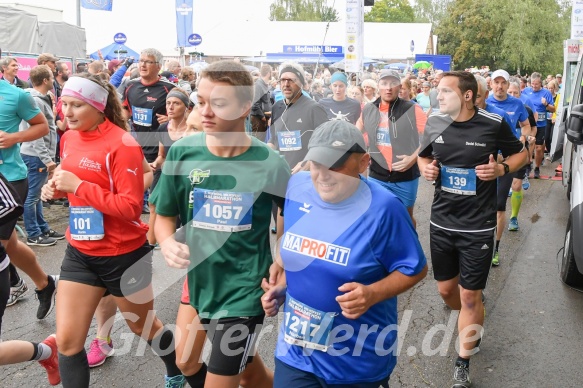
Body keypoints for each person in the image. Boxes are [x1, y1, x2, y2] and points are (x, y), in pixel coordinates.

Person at [153, 60, 291, 388]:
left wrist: (282, 258)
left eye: (219, 103)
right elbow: (164, 215)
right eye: (201, 102)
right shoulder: (183, 153)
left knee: (225, 376)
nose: (206, 112)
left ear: (245, 107)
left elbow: (293, 214)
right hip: (201, 282)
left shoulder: (270, 162)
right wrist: (168, 241)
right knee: (187, 362)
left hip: (245, 289)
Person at [40, 74, 183, 388]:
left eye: (77, 105)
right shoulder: (69, 138)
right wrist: (57, 190)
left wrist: (79, 186)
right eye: (64, 104)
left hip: (124, 255)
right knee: (67, 342)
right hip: (80, 251)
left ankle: (175, 366)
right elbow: (75, 186)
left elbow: (130, 207)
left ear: (97, 106)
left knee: (144, 327)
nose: (68, 112)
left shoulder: (122, 143)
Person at [262, 119, 427, 387]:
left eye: (335, 164)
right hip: (296, 353)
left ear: (363, 162)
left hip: (356, 360)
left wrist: (373, 293)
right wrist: (282, 286)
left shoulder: (384, 209)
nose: (324, 175)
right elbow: (296, 243)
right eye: (316, 164)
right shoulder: (298, 187)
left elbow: (415, 268)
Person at [418, 71, 527, 388]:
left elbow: (520, 153)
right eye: (438, 91)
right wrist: (427, 169)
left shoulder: (492, 124)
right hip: (441, 222)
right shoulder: (436, 123)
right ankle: (475, 306)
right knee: (447, 292)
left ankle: (462, 361)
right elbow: (423, 158)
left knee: (467, 297)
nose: (439, 96)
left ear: (466, 96)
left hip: (478, 227)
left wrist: (502, 168)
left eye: (445, 91)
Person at [0, 71, 58, 319]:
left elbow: (42, 126)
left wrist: (14, 137)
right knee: (10, 245)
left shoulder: (15, 96)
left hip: (9, 180)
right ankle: (45, 284)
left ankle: (11, 285)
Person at [0, 172, 60, 386]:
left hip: (15, 176)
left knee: (8, 247)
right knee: (13, 247)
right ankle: (46, 351)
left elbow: (9, 203)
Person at [357, 69, 427, 227]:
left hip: (404, 177)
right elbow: (355, 134)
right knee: (379, 217)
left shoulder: (412, 109)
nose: (388, 87)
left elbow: (430, 137)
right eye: (384, 83)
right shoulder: (368, 110)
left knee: (405, 219)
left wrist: (412, 158)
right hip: (377, 176)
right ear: (379, 87)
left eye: (393, 83)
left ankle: (410, 248)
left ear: (399, 86)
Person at [484, 70, 534, 265]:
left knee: (498, 205)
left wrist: (523, 136)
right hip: (485, 158)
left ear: (507, 85)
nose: (500, 86)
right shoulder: (485, 104)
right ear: (491, 85)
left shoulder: (517, 104)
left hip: (508, 157)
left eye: (503, 83)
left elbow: (526, 125)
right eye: (496, 83)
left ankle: (495, 249)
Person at [122, 48, 174, 214]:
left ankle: (160, 232)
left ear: (158, 66)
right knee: (134, 192)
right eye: (141, 61)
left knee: (157, 199)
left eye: (148, 61)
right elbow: (126, 111)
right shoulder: (131, 86)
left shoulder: (169, 88)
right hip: (138, 145)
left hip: (162, 147)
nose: (143, 65)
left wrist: (171, 118)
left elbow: (188, 113)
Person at [20, 65, 65, 246]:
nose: (54, 81)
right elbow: (36, 133)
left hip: (37, 154)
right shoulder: (35, 101)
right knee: (32, 196)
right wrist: (47, 160)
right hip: (35, 155)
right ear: (45, 80)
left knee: (36, 195)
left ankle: (42, 228)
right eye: (52, 78)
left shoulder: (38, 98)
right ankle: (33, 234)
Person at [268, 62, 328, 174]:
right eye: (283, 80)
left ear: (302, 84)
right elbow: (273, 139)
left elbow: (327, 143)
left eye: (292, 80)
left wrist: (309, 162)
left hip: (304, 176)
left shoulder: (314, 108)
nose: (286, 84)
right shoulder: (277, 107)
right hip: (280, 173)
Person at [522, 72, 555, 179]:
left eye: (536, 84)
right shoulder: (526, 91)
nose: (534, 86)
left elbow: (553, 109)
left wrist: (546, 104)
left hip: (541, 124)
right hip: (529, 124)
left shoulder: (546, 93)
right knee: (528, 145)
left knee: (539, 148)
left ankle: (537, 168)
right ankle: (528, 165)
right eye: (532, 84)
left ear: (541, 83)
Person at [250, 64, 273, 142]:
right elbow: (254, 104)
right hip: (258, 119)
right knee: (257, 142)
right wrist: (263, 117)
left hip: (263, 119)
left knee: (261, 142)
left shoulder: (263, 84)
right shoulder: (258, 85)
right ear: (269, 73)